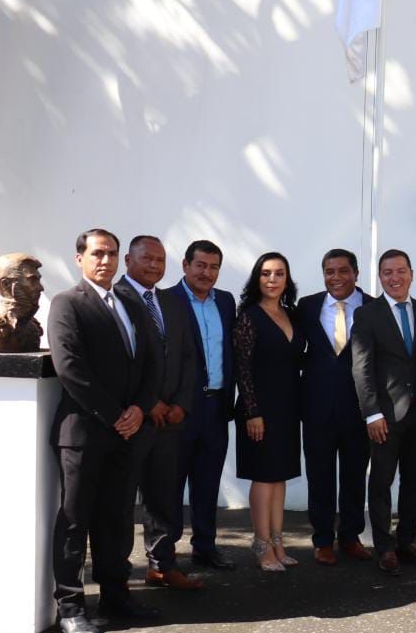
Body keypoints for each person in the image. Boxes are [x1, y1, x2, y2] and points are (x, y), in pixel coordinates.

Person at [47, 229, 160, 633]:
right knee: (75, 521)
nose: (106, 260)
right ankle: (71, 607)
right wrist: (116, 415)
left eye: (112, 253)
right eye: (97, 253)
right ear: (80, 258)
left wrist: (140, 409)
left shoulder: (130, 303)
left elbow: (153, 362)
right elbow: (70, 367)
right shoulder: (67, 303)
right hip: (83, 433)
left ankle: (115, 596)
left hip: (126, 434)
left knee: (115, 520)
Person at [115, 235, 203, 591]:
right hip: (133, 419)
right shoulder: (115, 298)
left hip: (169, 422)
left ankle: (162, 565)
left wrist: (182, 403)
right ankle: (118, 576)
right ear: (128, 260)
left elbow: (188, 356)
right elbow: (119, 360)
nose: (154, 265)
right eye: (147, 258)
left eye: (160, 260)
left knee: (163, 498)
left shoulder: (171, 301)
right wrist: (149, 402)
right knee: (122, 501)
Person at [351, 248, 416, 576]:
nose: (395, 278)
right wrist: (371, 413)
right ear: (380, 276)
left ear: (411, 274)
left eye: (401, 271)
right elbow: (361, 367)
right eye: (387, 272)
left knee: (415, 481)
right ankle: (384, 548)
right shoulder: (367, 314)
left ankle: (406, 541)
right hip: (384, 416)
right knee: (381, 483)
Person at [297, 248, 374, 566]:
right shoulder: (306, 306)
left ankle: (351, 537)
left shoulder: (373, 307)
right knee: (320, 477)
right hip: (317, 408)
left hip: (359, 409)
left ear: (356, 273)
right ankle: (323, 540)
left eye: (343, 271)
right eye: (330, 271)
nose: (336, 277)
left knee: (355, 476)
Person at [168, 240, 238, 570]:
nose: (206, 273)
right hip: (179, 409)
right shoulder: (167, 300)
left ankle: (205, 547)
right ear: (185, 265)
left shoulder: (225, 301)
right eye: (200, 265)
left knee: (208, 482)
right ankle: (163, 555)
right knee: (170, 484)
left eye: (213, 267)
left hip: (216, 405)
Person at [234, 252, 305, 571]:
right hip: (258, 409)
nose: (272, 279)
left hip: (288, 407)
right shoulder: (249, 316)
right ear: (257, 279)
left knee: (279, 478)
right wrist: (252, 412)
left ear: (287, 279)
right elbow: (243, 368)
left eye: (279, 273)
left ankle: (278, 543)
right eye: (265, 273)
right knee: (263, 477)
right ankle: (261, 545)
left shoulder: (291, 314)